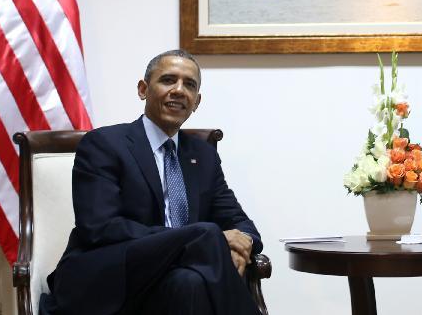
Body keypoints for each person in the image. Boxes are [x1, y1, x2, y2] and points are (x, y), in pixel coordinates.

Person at [40, 49, 262, 315]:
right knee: (206, 235)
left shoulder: (203, 155)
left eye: (189, 85)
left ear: (197, 101)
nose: (179, 90)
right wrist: (192, 240)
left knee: (190, 279)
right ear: (143, 89)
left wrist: (243, 243)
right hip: (113, 275)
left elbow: (239, 222)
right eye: (168, 80)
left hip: (178, 280)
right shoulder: (104, 144)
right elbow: (100, 228)